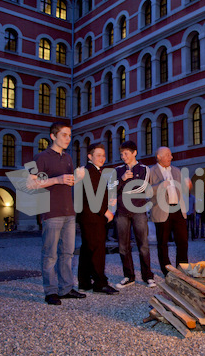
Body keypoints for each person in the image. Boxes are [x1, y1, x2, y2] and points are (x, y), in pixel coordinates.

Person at [27, 122, 87, 305]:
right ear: (53, 136)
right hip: (51, 212)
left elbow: (67, 183)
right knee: (50, 254)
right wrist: (57, 179)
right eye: (64, 135)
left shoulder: (68, 158)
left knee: (67, 253)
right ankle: (51, 291)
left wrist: (78, 178)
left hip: (69, 212)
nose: (68, 139)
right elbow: (29, 184)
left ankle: (66, 288)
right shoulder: (40, 157)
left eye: (69, 135)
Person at [110, 140, 155, 289]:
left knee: (143, 245)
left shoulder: (144, 168)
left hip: (139, 211)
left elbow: (143, 187)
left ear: (134, 153)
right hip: (122, 212)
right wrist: (122, 180)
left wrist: (122, 188)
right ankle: (129, 276)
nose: (123, 156)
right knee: (123, 246)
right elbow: (111, 188)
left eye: (126, 153)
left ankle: (148, 276)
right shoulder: (117, 170)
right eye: (121, 154)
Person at [77, 143, 118, 295]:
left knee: (87, 249)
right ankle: (100, 283)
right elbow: (91, 194)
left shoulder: (93, 171)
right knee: (97, 250)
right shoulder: (90, 171)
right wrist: (106, 211)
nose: (102, 158)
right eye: (98, 155)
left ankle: (84, 282)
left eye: (103, 155)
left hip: (88, 216)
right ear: (90, 156)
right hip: (93, 216)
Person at [149, 146, 191, 276]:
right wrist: (160, 186)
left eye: (171, 155)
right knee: (163, 243)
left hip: (178, 209)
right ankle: (166, 269)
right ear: (159, 156)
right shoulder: (151, 172)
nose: (171, 157)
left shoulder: (177, 171)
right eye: (167, 155)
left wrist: (187, 186)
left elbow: (183, 190)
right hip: (161, 210)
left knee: (183, 240)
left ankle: (182, 267)